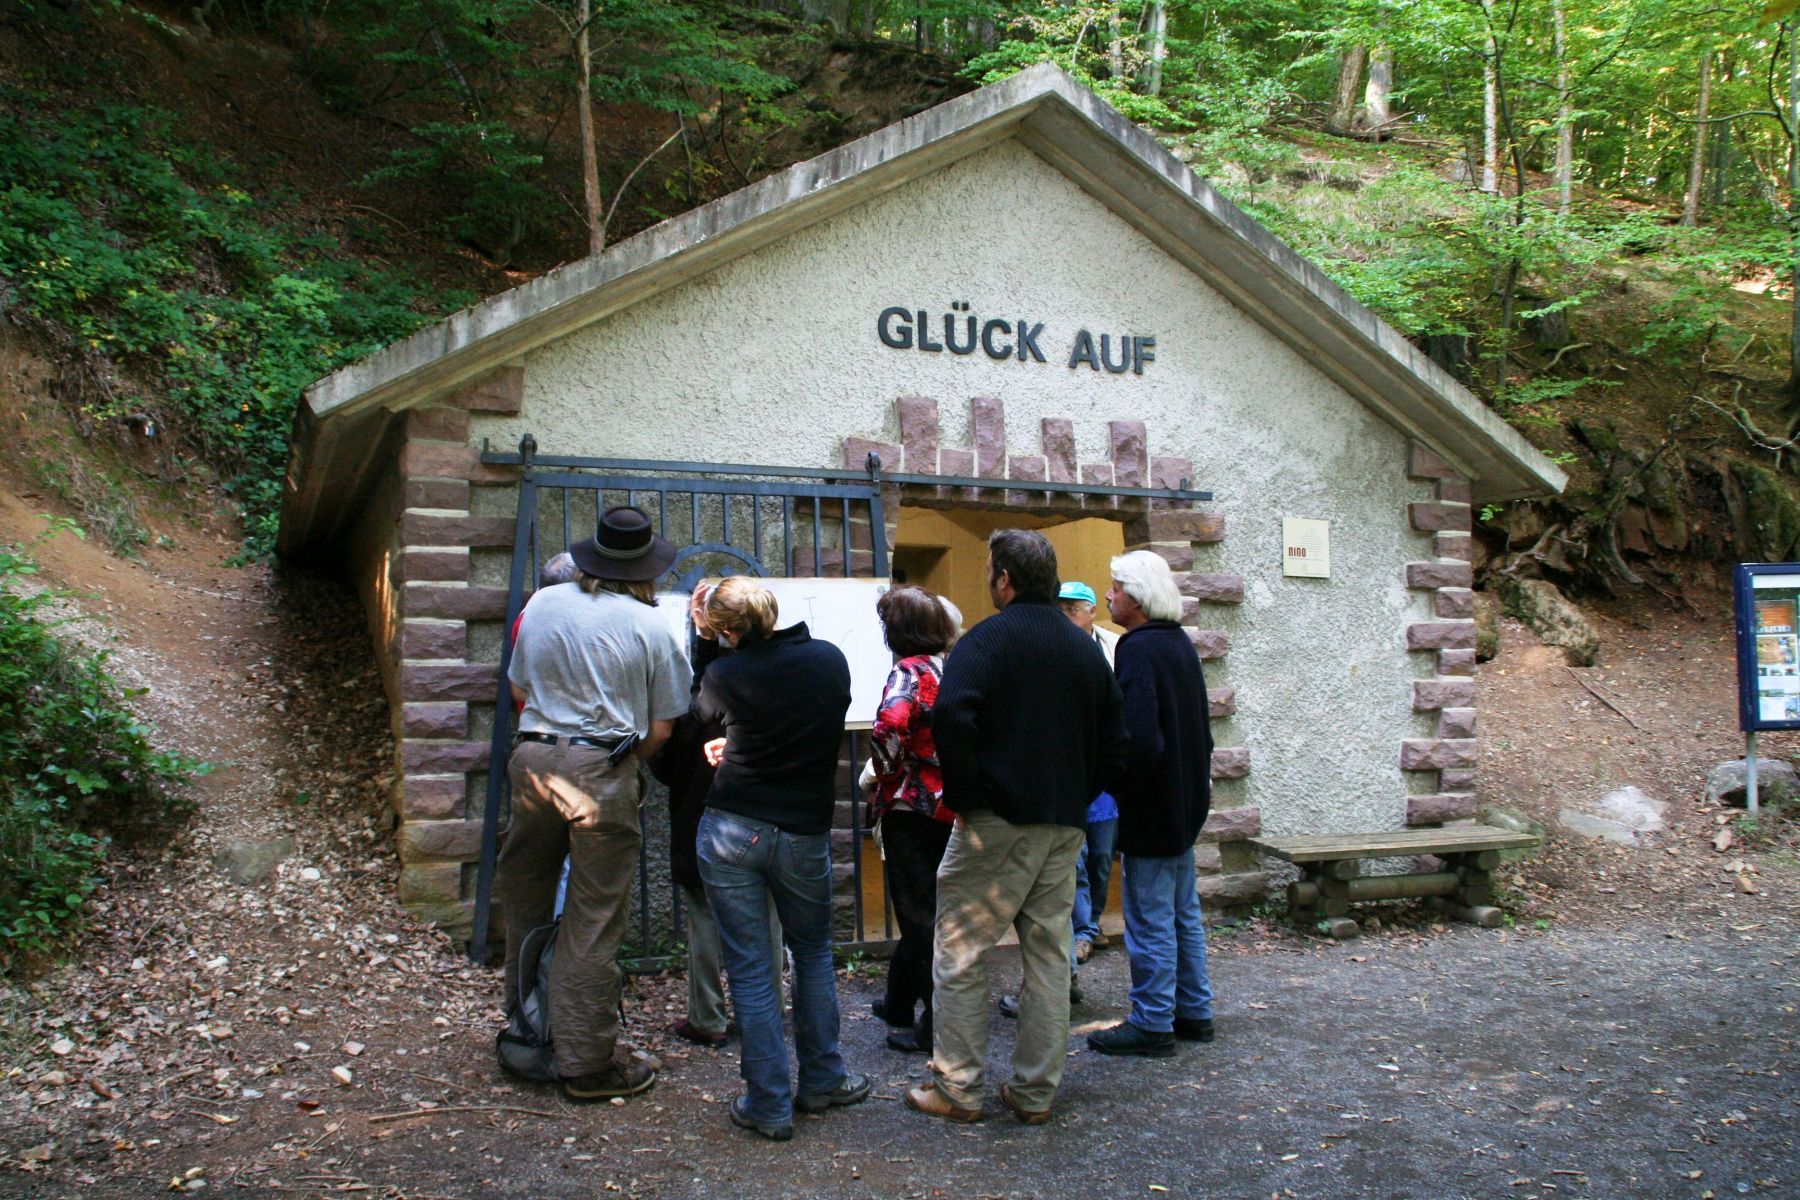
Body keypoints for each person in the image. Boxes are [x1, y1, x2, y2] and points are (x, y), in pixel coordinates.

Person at [905, 530, 1127, 1127]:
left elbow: (951, 713)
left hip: (995, 822)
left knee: (960, 949)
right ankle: (1034, 1093)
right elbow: (1118, 740)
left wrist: (972, 795)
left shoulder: (986, 640)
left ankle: (958, 1087)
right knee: (1050, 955)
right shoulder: (1084, 648)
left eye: (989, 571)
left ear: (1004, 578)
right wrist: (1080, 792)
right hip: (1063, 823)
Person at [500, 507, 691, 1102]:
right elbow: (662, 730)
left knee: (527, 902)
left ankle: (527, 1032)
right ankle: (584, 1063)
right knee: (593, 918)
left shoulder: (542, 604)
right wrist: (619, 765)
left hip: (531, 760)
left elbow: (518, 688)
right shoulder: (654, 627)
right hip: (603, 769)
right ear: (645, 568)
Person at [693, 577, 867, 1141]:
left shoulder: (724, 673)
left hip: (732, 826)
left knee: (749, 966)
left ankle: (768, 1103)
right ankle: (823, 1079)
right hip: (802, 830)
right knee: (813, 951)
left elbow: (707, 715)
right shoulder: (827, 660)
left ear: (727, 631)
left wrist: (706, 645)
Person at [1088, 550, 1217, 1059]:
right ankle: (1194, 1010)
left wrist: (1113, 782)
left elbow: (1139, 739)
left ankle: (1152, 1019)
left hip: (1153, 805)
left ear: (1136, 598)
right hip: (1184, 799)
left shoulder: (1137, 650)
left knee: (1148, 917)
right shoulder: (1178, 644)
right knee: (1183, 911)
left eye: (1115, 588)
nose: (1108, 596)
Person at [647, 583, 784, 1048]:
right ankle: (769, 1008)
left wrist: (700, 636)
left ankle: (707, 1015)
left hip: (702, 812)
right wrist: (707, 638)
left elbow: (671, 750)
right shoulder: (783, 677)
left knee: (704, 917)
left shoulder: (703, 696)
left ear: (722, 628)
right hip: (767, 814)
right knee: (766, 914)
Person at [867, 586, 958, 1054]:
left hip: (911, 806)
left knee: (918, 914)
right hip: (950, 804)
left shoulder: (908, 671)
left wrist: (885, 769)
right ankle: (899, 1003)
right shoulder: (951, 666)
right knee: (932, 909)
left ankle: (936, 1025)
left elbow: (888, 724)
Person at [1058, 581, 1121, 966]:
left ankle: (1092, 923)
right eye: (1060, 607)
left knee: (1100, 855)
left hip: (1105, 772)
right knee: (1074, 857)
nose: (1064, 614)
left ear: (1091, 611)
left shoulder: (1114, 646)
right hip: (1068, 768)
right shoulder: (1051, 647)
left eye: (1072, 608)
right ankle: (1081, 932)